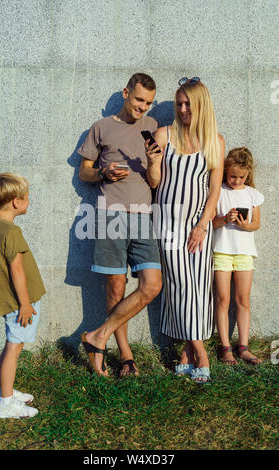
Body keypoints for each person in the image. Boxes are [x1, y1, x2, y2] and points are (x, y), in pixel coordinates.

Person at [78, 73, 162, 376]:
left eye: (149, 103)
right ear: (126, 93)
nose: (143, 107)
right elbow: (83, 172)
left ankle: (96, 336)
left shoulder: (153, 129)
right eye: (139, 99)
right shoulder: (101, 128)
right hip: (110, 214)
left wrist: (154, 163)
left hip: (143, 215)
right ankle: (126, 357)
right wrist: (103, 172)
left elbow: (155, 182)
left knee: (152, 285)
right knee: (116, 287)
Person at [145, 77, 224, 383]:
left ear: (201, 104)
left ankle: (185, 355)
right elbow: (154, 183)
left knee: (199, 288)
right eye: (178, 103)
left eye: (188, 103)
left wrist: (203, 225)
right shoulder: (163, 134)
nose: (181, 109)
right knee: (181, 286)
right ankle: (201, 353)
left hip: (199, 225)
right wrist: (153, 162)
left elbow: (214, 190)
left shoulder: (215, 141)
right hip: (168, 222)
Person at [0, 172, 46, 418]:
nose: (28, 200)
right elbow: (16, 270)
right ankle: (6, 404)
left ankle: (5, 391)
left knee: (13, 345)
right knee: (13, 348)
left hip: (14, 302)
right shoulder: (11, 231)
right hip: (20, 303)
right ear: (15, 202)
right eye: (27, 196)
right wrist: (24, 303)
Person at [212, 147, 264, 365]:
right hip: (222, 251)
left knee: (242, 299)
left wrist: (244, 224)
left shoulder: (252, 194)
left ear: (247, 175)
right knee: (223, 299)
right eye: (232, 175)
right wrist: (226, 219)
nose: (235, 180)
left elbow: (256, 224)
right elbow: (211, 222)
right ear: (225, 172)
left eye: (241, 177)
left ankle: (243, 346)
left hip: (244, 253)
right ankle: (225, 348)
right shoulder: (218, 191)